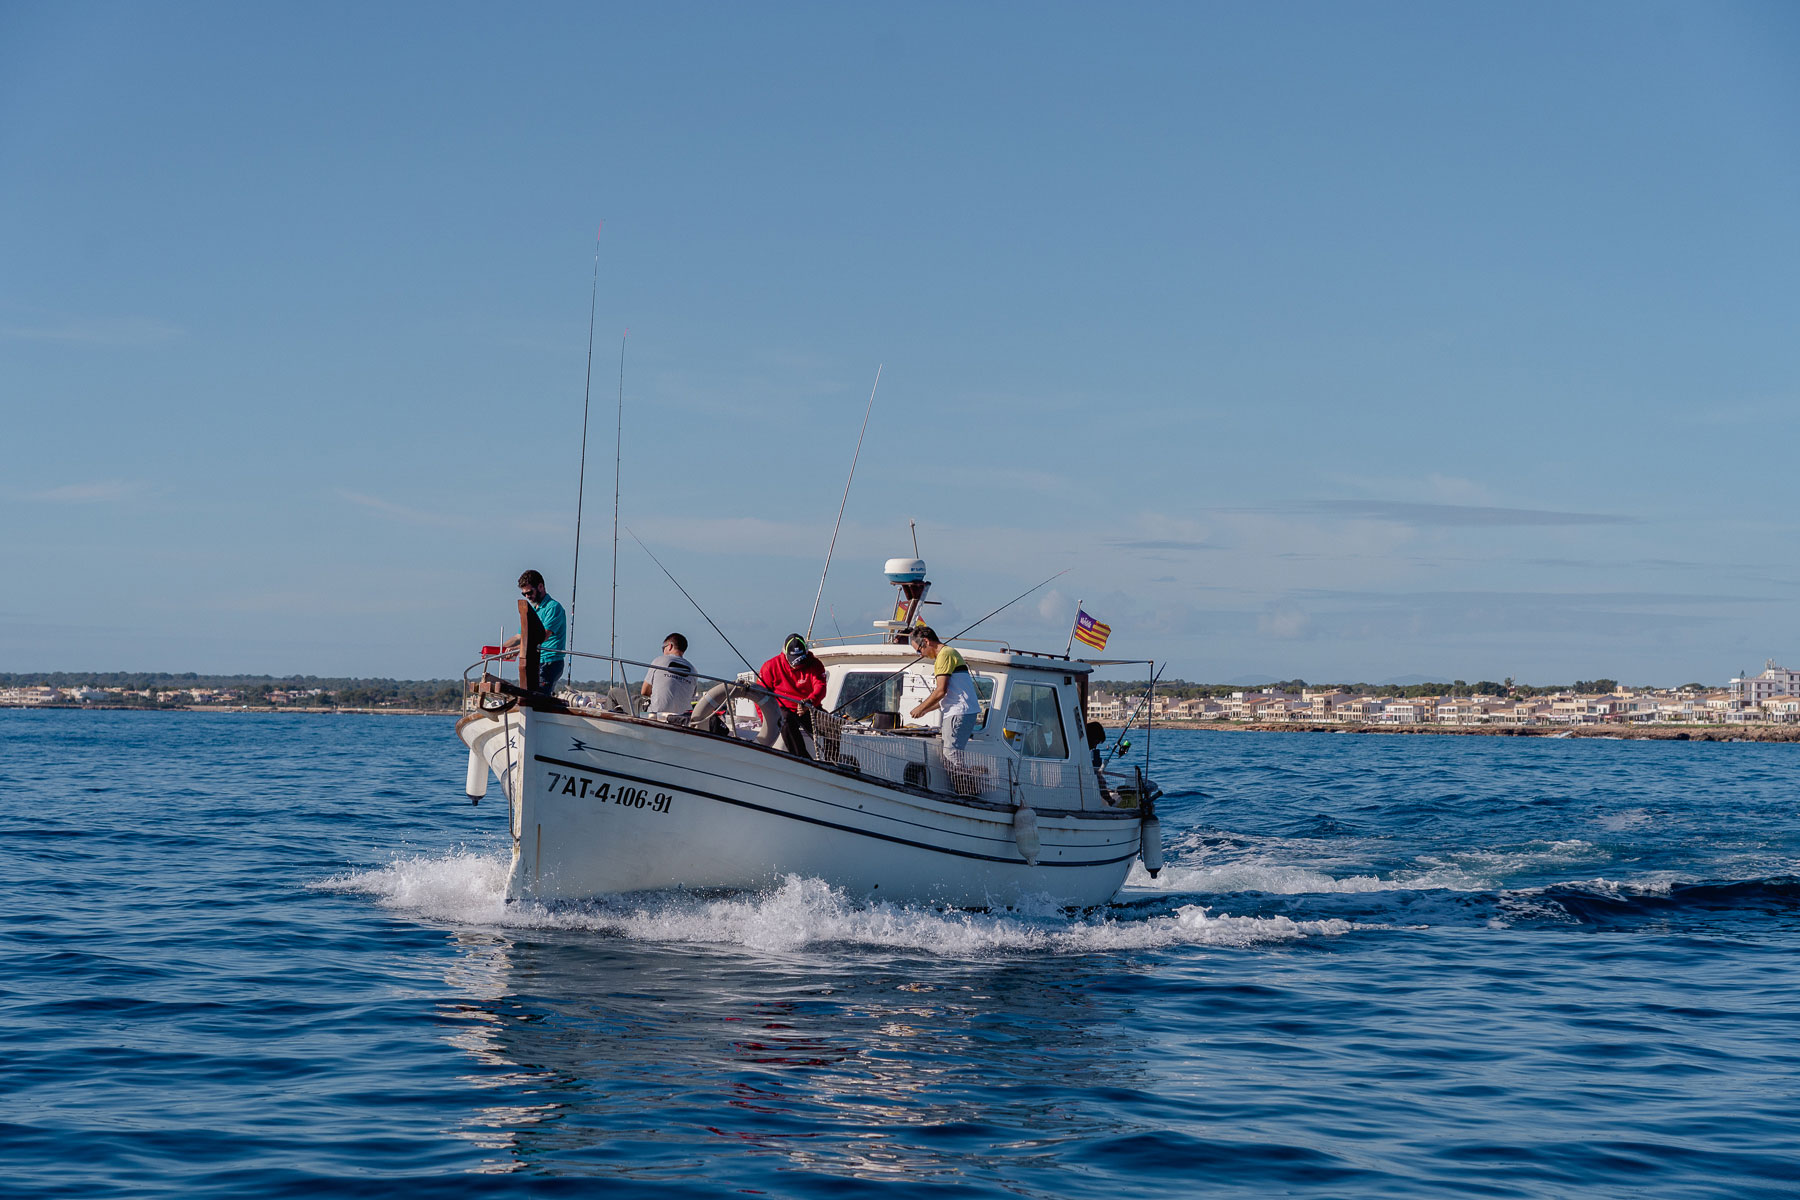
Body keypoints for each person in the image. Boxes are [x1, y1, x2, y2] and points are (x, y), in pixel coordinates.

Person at [907, 626, 980, 770]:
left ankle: (962, 789)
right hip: (964, 711)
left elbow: (941, 691)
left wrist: (920, 708)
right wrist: (926, 710)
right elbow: (951, 694)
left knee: (950, 754)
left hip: (957, 713)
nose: (920, 655)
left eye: (918, 650)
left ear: (926, 642)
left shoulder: (944, 655)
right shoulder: (949, 653)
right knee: (953, 753)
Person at [758, 633, 826, 757]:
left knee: (831, 724)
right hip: (784, 709)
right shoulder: (770, 667)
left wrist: (810, 701)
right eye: (793, 660)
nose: (797, 664)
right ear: (784, 653)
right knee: (785, 720)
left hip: (808, 707)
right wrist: (765, 720)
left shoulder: (815, 664)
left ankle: (831, 759)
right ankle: (803, 759)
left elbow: (820, 687)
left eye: (801, 659)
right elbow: (760, 696)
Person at [502, 570, 566, 694]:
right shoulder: (533, 611)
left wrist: (517, 650)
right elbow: (519, 636)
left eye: (529, 592)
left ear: (541, 586)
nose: (527, 597)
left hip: (550, 661)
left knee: (538, 697)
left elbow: (543, 636)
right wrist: (500, 649)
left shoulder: (553, 608)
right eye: (524, 594)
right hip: (533, 661)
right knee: (528, 694)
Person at [641, 633, 696, 720]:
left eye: (663, 648)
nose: (663, 651)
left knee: (614, 694)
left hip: (656, 715)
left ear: (670, 646)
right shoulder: (693, 669)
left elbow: (644, 691)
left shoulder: (659, 661)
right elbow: (689, 696)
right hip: (681, 719)